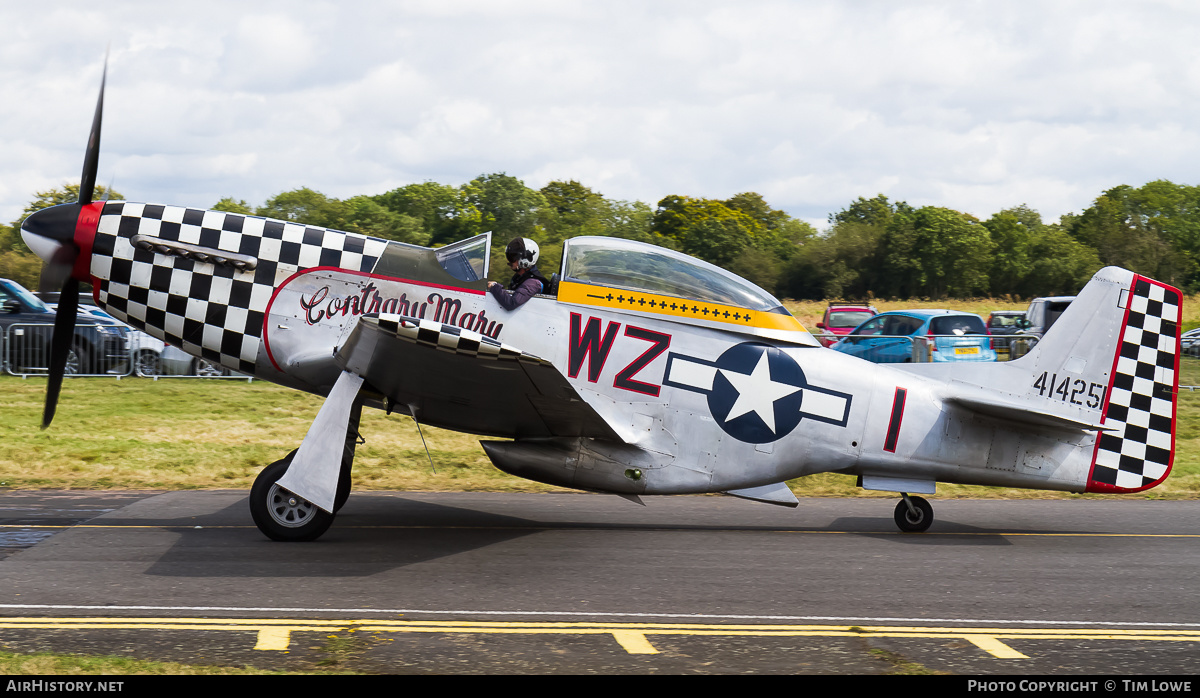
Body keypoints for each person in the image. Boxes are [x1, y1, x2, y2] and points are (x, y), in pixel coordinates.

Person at [488, 237, 551, 310]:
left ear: (525, 260)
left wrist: (495, 287)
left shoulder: (533, 283)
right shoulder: (519, 277)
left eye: (512, 258)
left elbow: (511, 303)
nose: (509, 261)